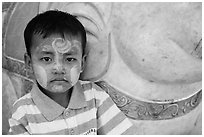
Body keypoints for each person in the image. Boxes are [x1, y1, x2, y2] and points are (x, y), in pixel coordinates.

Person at [8, 10, 136, 135]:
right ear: (29, 62)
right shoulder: (23, 113)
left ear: (82, 63)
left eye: (69, 59)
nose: (58, 68)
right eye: (46, 59)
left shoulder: (95, 97)